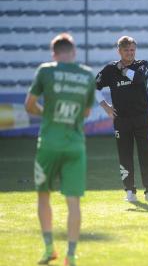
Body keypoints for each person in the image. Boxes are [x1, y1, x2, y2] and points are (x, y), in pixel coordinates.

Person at [25, 33, 96, 266]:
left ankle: (49, 249)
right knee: (73, 202)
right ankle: (72, 256)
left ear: (53, 53)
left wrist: (45, 113)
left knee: (43, 195)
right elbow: (86, 113)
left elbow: (29, 105)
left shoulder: (45, 71)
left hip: (49, 143)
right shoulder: (86, 75)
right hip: (75, 144)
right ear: (73, 52)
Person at [95, 36, 148, 203]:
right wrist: (105, 106)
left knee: (147, 155)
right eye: (126, 50)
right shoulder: (110, 69)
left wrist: (123, 70)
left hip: (142, 118)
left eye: (132, 50)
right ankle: (130, 191)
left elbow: (139, 79)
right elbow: (93, 86)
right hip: (121, 120)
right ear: (119, 51)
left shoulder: (142, 65)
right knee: (125, 156)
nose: (130, 53)